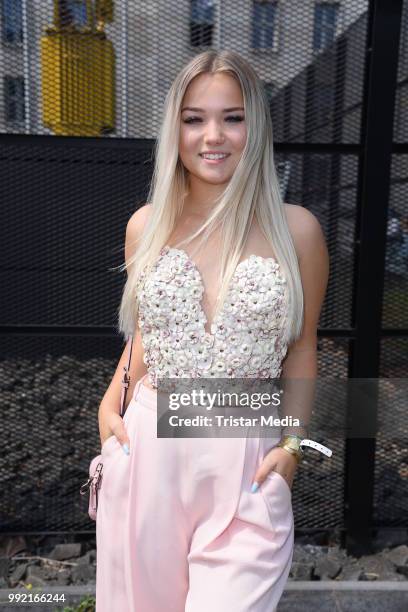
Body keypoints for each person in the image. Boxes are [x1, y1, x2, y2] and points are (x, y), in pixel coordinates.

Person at [95, 50, 329, 612]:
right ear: (174, 128)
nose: (213, 136)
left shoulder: (298, 230)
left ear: (257, 125)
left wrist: (292, 446)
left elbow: (302, 348)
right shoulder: (145, 226)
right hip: (149, 449)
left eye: (233, 116)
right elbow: (146, 337)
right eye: (195, 118)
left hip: (247, 460)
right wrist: (108, 413)